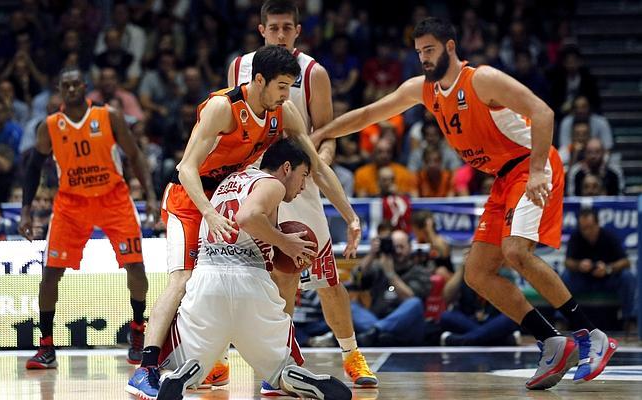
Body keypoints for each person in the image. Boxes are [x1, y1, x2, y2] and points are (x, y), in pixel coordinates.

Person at [311, 17, 618, 390]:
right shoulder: (423, 89)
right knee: (476, 273)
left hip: (529, 165)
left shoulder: (481, 79)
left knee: (516, 251)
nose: (424, 58)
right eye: (419, 51)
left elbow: (543, 112)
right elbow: (368, 115)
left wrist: (538, 170)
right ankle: (551, 339)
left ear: (450, 47)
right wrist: (323, 132)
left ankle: (591, 335)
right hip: (504, 178)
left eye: (430, 49)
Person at [129, 44, 361, 398]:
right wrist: (208, 212)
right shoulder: (223, 108)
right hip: (189, 198)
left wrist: (350, 214)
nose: (286, 95)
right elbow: (186, 167)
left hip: (226, 196)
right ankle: (145, 369)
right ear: (258, 80)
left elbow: (315, 165)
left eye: (290, 87)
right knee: (183, 279)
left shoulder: (281, 112)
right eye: (281, 86)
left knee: (253, 272)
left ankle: (259, 364)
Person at [227, 0, 377, 391]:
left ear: (297, 31)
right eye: (273, 27)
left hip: (300, 181)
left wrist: (310, 170)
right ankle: (278, 362)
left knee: (326, 280)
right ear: (262, 30)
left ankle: (351, 355)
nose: (280, 33)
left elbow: (325, 138)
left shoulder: (313, 73)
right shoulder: (238, 67)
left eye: (286, 28)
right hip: (255, 183)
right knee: (273, 275)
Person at [18, 66, 159, 368]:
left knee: (135, 266)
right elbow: (33, 167)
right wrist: (27, 209)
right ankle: (46, 347)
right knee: (50, 274)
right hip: (71, 204)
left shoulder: (109, 116)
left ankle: (137, 331)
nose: (70, 90)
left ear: (84, 87)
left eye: (75, 85)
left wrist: (150, 196)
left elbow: (134, 156)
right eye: (64, 86)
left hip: (114, 199)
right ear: (59, 89)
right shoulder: (50, 125)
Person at [563, 208, 636, 326]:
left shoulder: (609, 236)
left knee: (627, 277)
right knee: (566, 276)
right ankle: (562, 320)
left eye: (590, 227)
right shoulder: (576, 236)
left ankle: (631, 320)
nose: (587, 231)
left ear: (597, 224)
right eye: (583, 228)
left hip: (607, 279)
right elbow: (567, 262)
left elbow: (626, 262)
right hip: (584, 280)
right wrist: (579, 265)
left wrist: (608, 268)